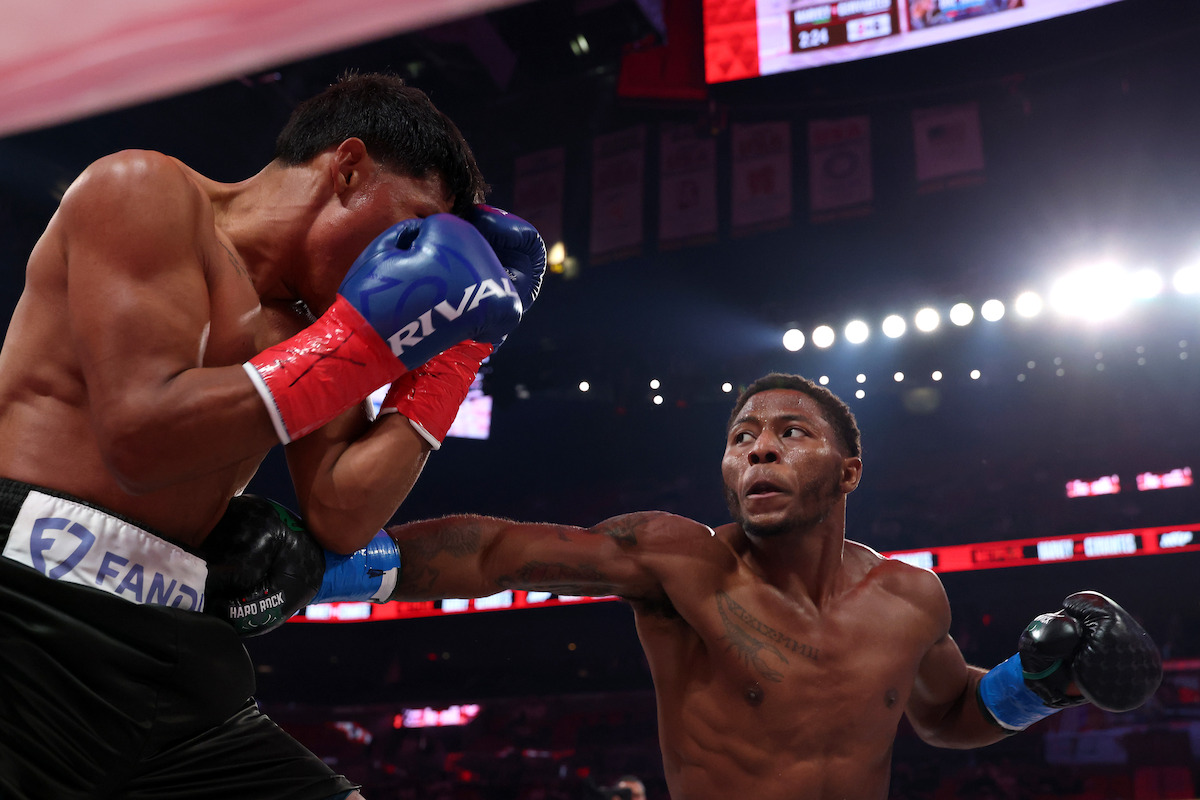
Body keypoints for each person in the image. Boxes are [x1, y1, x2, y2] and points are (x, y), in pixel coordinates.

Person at [0, 72, 545, 799]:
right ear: (348, 169)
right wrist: (367, 338)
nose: (413, 263)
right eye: (413, 225)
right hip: (21, 612)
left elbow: (343, 513)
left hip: (172, 653)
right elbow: (142, 440)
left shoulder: (308, 331)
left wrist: (452, 357)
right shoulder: (143, 192)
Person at [362, 372, 1159, 800]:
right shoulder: (679, 562)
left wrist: (1038, 686)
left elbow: (949, 716)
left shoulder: (910, 598)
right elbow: (499, 551)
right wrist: (339, 565)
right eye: (742, 437)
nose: (759, 451)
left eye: (790, 433)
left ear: (848, 472)